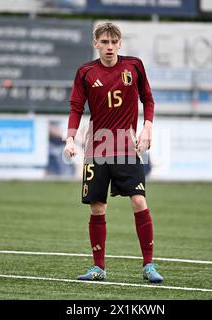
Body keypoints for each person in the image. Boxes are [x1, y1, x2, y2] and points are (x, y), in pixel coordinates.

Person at [63, 22, 163, 283]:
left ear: (120, 43)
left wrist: (147, 128)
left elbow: (148, 99)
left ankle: (149, 265)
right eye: (104, 42)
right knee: (97, 207)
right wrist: (70, 139)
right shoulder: (85, 72)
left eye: (114, 42)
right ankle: (98, 268)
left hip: (127, 147)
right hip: (97, 148)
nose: (109, 47)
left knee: (139, 201)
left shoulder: (134, 66)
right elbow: (75, 107)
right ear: (96, 43)